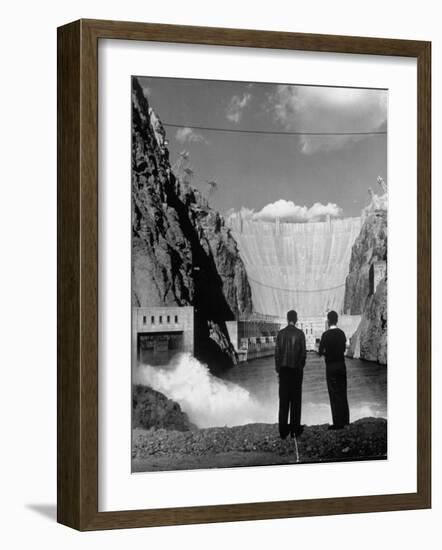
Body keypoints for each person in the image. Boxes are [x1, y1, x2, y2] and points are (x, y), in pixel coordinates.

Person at [275, 310, 306, 439]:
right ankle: (294, 430)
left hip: (284, 371)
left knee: (283, 401)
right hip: (296, 372)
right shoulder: (300, 334)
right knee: (296, 401)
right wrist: (299, 369)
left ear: (287, 319)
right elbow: (303, 355)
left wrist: (278, 371)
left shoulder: (280, 334)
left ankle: (283, 431)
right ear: (296, 319)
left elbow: (277, 355)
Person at [318, 311, 350, 430]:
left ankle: (337, 423)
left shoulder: (325, 335)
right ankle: (346, 420)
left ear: (329, 320)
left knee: (334, 393)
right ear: (337, 320)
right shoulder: (341, 333)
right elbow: (343, 349)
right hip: (341, 365)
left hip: (330, 366)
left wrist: (326, 352)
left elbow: (320, 351)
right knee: (343, 392)